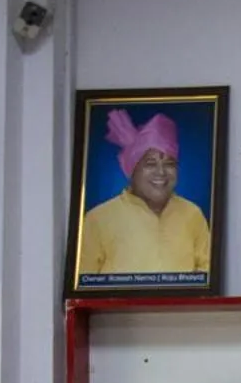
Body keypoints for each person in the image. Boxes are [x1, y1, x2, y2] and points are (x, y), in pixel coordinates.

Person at [76, 109, 211, 279]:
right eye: (150, 163)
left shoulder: (193, 214)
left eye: (169, 163)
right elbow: (83, 286)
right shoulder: (98, 219)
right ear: (132, 169)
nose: (161, 172)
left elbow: (207, 279)